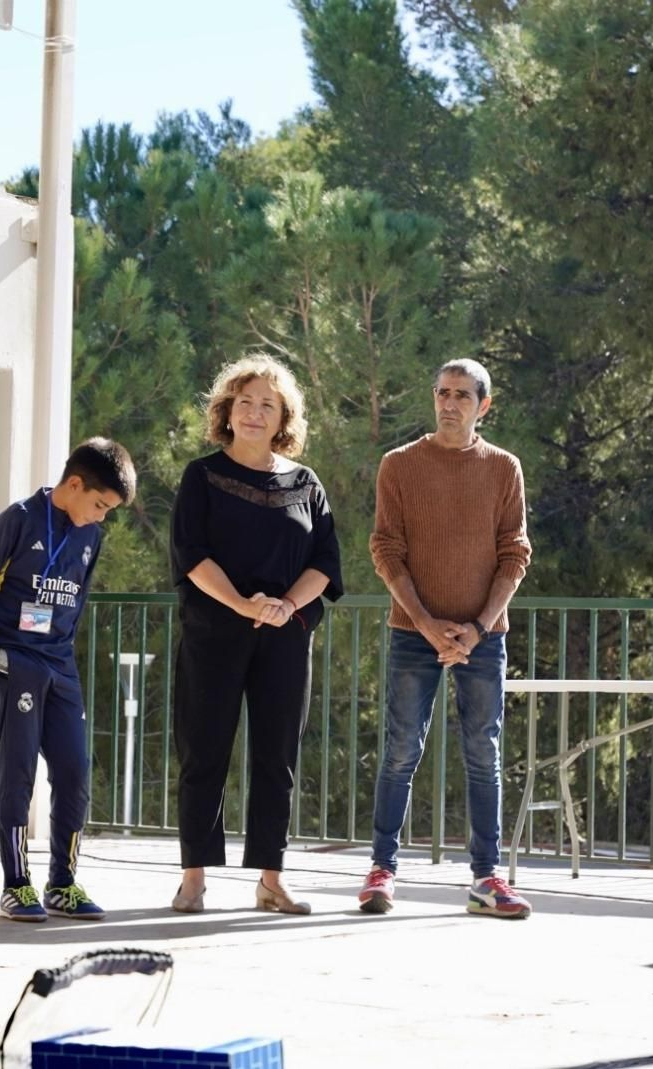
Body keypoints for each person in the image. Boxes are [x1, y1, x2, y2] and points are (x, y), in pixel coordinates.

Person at [168, 356, 343, 917]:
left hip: (285, 637)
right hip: (213, 633)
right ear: (227, 410)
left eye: (268, 404)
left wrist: (286, 604)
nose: (254, 412)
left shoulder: (306, 483)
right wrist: (244, 604)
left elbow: (325, 563)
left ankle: (271, 879)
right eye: (245, 401)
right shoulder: (201, 476)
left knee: (277, 758)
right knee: (204, 752)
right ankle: (193, 879)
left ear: (282, 417)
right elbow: (192, 557)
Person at [359, 358, 532, 919]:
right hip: (415, 633)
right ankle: (382, 870)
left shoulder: (504, 468)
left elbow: (515, 554)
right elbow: (386, 551)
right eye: (442, 392)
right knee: (401, 751)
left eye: (462, 394)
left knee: (484, 754)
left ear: (484, 405)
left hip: (484, 637)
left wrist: (478, 628)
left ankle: (487, 878)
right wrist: (430, 625)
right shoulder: (399, 466)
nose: (449, 402)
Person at [0, 438, 136, 922]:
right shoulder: (18, 519)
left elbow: (75, 602)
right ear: (73, 484)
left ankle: (63, 883)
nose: (101, 517)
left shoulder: (91, 535)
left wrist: (66, 663)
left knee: (75, 770)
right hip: (11, 658)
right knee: (18, 771)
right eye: (99, 504)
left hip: (59, 665)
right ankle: (16, 884)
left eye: (109, 511)